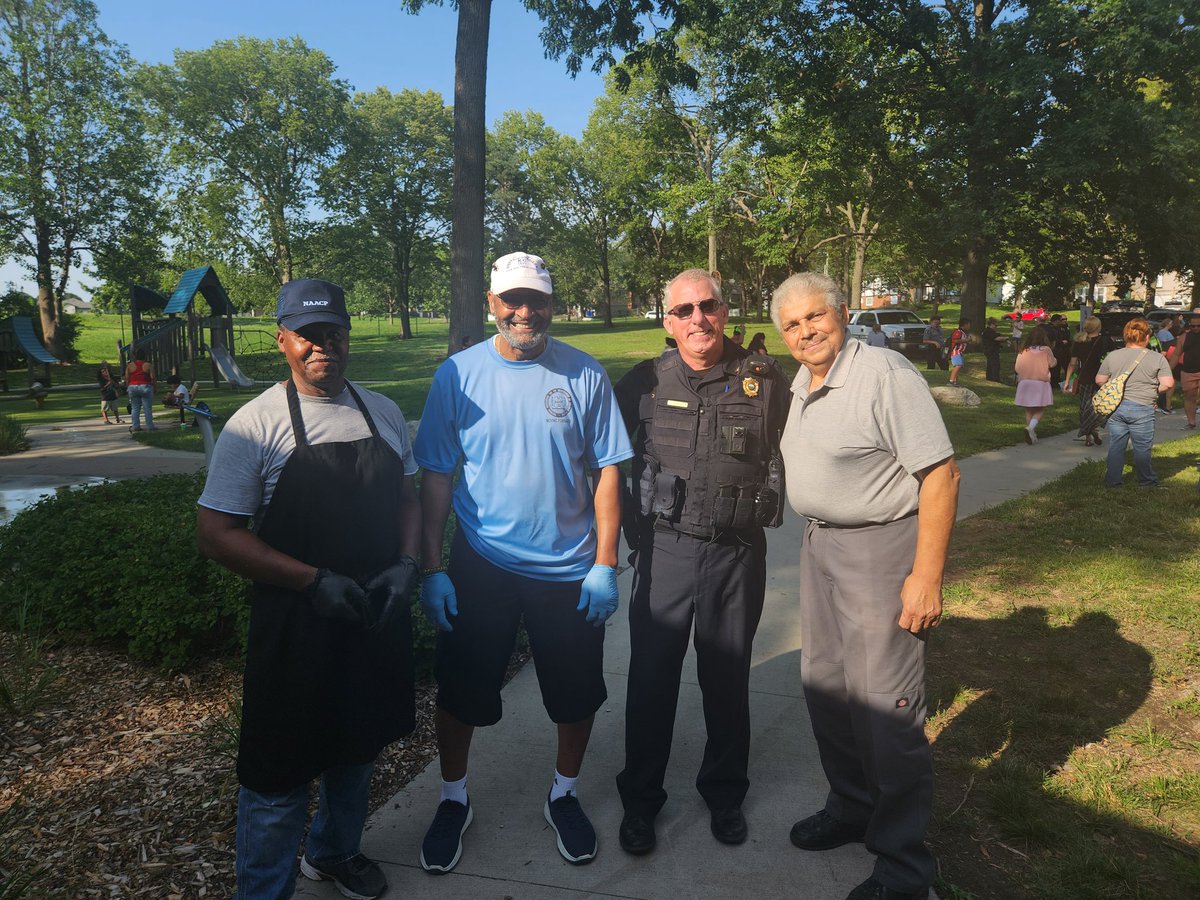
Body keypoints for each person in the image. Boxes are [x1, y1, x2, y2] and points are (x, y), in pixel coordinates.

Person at [196, 279, 420, 900]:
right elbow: (215, 534)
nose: (323, 346)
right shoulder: (255, 425)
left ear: (348, 335)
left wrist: (407, 562)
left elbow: (407, 498)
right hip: (296, 623)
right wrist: (311, 580)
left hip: (372, 612)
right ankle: (263, 891)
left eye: (333, 333)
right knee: (278, 774)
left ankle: (333, 853)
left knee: (359, 745)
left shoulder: (382, 410)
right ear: (283, 341)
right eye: (308, 335)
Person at [413, 251, 633, 872]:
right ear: (492, 304)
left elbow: (608, 471)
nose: (524, 311)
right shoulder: (456, 376)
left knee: (576, 694)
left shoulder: (584, 374)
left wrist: (605, 563)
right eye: (512, 299)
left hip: (569, 569)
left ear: (551, 305)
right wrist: (433, 568)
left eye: (535, 299)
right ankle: (454, 797)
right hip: (483, 563)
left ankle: (563, 793)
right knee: (460, 691)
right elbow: (434, 476)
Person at [770, 272, 958, 900]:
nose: (805, 332)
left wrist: (925, 578)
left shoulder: (882, 373)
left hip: (881, 553)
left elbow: (940, 475)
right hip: (820, 547)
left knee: (885, 710)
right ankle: (852, 808)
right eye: (792, 325)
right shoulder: (802, 382)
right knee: (826, 686)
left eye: (815, 317)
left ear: (843, 313)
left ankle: (904, 869)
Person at [613, 269, 789, 856]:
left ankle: (724, 794)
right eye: (683, 310)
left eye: (707, 306)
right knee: (651, 682)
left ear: (726, 308)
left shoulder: (764, 380)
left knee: (727, 679)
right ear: (667, 321)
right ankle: (640, 802)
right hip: (664, 552)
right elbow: (602, 456)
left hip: (736, 555)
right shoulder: (643, 380)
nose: (697, 320)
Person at [1096, 318, 1174, 488]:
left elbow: (1100, 379)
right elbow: (1168, 383)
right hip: (1143, 407)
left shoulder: (1113, 355)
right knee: (1142, 447)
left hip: (1117, 406)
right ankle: (1146, 480)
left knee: (1116, 445)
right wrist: (1153, 390)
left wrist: (1116, 388)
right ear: (1147, 337)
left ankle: (1113, 480)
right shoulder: (1157, 358)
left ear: (1126, 336)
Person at [1064, 317, 1107, 446]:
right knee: (1100, 405)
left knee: (1084, 406)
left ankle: (1088, 437)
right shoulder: (1104, 341)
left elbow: (1072, 363)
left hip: (1084, 378)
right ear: (1098, 327)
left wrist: (1067, 381)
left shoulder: (1079, 342)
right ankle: (1095, 428)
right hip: (1102, 378)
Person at [1014, 326, 1055, 444]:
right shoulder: (1046, 350)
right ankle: (1031, 428)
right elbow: (1052, 363)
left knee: (1029, 409)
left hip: (1025, 382)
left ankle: (1031, 432)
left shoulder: (1023, 350)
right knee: (1041, 407)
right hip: (1040, 383)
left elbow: (1017, 368)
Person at [1176, 312, 1200, 429]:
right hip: (1188, 371)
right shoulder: (1184, 337)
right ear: (1189, 325)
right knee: (1190, 397)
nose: (1196, 328)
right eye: (1193, 326)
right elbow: (1176, 355)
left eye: (1198, 326)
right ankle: (1191, 422)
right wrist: (1167, 370)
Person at [124, 349, 156, 433]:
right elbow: (153, 377)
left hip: (133, 387)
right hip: (145, 386)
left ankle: (136, 426)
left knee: (135, 408)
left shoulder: (129, 366)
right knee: (147, 408)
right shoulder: (148, 365)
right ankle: (150, 426)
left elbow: (127, 378)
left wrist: (128, 387)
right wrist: (155, 387)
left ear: (135, 356)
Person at [1155, 318, 1177, 412]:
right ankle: (1164, 405)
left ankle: (1164, 404)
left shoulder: (1166, 332)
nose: (1172, 324)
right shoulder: (1163, 332)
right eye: (1171, 323)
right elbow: (1163, 344)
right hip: (1166, 355)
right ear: (1167, 323)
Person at [947, 318, 970, 386]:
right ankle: (951, 381)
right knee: (958, 365)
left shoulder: (963, 333)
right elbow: (955, 340)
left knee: (958, 366)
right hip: (956, 351)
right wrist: (966, 340)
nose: (969, 326)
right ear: (965, 325)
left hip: (960, 352)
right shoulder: (958, 332)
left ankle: (955, 381)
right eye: (969, 324)